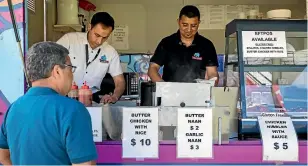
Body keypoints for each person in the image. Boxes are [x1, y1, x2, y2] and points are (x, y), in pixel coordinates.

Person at [0, 42, 97, 165]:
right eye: (70, 68)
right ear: (57, 71)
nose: (72, 75)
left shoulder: (14, 108)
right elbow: (85, 164)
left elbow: (2, 155)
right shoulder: (72, 110)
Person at [57, 12, 125, 104]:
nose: (99, 41)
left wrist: (115, 96)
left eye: (105, 37)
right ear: (89, 27)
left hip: (92, 99)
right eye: (97, 35)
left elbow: (119, 81)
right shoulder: (69, 40)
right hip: (65, 97)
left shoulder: (111, 52)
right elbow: (50, 63)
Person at [148, 5, 219, 85]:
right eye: (185, 25)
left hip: (198, 95)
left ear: (199, 23)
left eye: (193, 26)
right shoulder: (167, 43)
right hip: (170, 94)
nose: (189, 30)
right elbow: (153, 69)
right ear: (178, 22)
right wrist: (163, 86)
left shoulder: (207, 45)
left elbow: (212, 73)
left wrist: (211, 83)